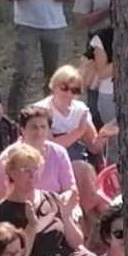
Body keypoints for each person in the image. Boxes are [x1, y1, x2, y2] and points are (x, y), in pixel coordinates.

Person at [32, 65, 104, 202]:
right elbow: (51, 145)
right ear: (53, 86)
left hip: (79, 155)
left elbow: (94, 146)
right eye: (64, 88)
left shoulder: (80, 109)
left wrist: (103, 135)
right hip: (50, 161)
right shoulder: (41, 110)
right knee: (81, 170)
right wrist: (79, 132)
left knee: (84, 169)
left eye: (75, 90)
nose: (69, 94)